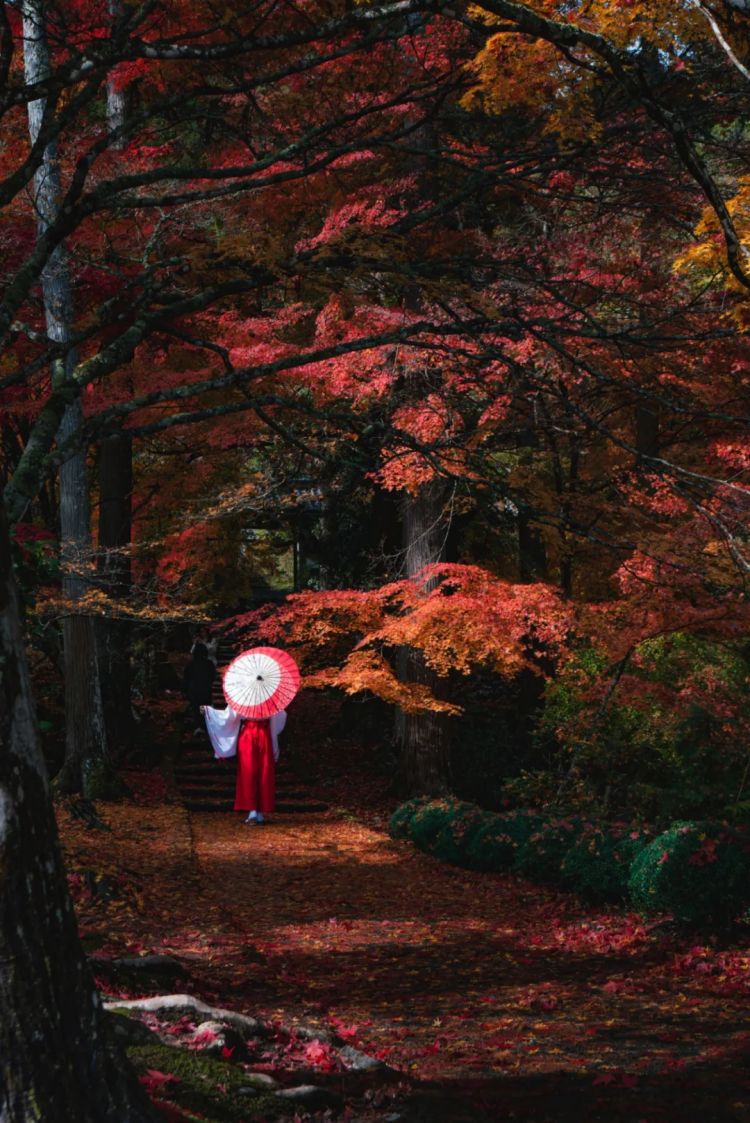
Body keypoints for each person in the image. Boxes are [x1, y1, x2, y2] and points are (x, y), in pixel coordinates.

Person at [201, 705, 286, 824]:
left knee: (261, 772)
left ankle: (257, 810)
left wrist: (209, 711)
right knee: (251, 772)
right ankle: (254, 809)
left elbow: (228, 717)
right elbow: (281, 717)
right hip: (259, 735)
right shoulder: (268, 698)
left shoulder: (242, 698)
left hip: (253, 734)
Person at [182, 642, 216, 734]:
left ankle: (197, 727)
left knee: (196, 709)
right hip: (206, 690)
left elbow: (186, 679)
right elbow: (213, 677)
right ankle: (205, 726)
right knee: (204, 709)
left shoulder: (191, 665)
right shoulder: (209, 664)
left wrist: (185, 691)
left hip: (194, 691)